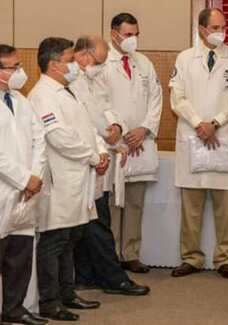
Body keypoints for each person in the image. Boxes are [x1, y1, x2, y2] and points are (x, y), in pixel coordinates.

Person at [169, 8, 228, 279]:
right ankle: (191, 257)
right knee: (191, 207)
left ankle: (225, 258)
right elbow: (177, 98)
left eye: (223, 27)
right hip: (193, 135)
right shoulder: (184, 58)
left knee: (225, 207)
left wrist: (215, 123)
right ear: (202, 29)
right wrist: (198, 124)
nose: (221, 32)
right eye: (215, 27)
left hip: (224, 135)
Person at [29, 37, 106, 321]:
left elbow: (85, 127)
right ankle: (50, 301)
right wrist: (93, 157)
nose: (76, 64)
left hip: (78, 177)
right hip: (59, 179)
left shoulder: (66, 90)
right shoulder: (42, 95)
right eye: (71, 59)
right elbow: (59, 137)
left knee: (72, 237)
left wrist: (99, 150)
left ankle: (67, 293)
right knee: (54, 240)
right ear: (54, 65)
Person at [70, 35, 150, 296]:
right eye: (99, 61)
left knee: (92, 221)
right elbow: (87, 118)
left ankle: (86, 275)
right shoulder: (73, 82)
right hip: (88, 159)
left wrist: (117, 126)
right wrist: (110, 138)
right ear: (82, 55)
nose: (103, 67)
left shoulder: (95, 77)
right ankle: (114, 279)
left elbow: (106, 106)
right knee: (98, 222)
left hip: (101, 154)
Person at [99, 12, 163, 273]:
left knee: (135, 202)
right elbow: (100, 103)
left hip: (141, 142)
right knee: (114, 202)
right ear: (114, 34)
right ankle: (112, 256)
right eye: (128, 35)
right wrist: (123, 130)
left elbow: (156, 98)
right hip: (115, 143)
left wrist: (144, 128)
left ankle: (130, 253)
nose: (133, 39)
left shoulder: (144, 62)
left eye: (136, 34)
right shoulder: (102, 63)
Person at [0, 44, 48, 325]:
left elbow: (38, 138)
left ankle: (13, 309)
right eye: (12, 67)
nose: (19, 72)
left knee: (19, 254)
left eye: (18, 65)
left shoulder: (21, 100)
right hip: (5, 186)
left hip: (27, 191)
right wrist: (22, 177)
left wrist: (35, 175)